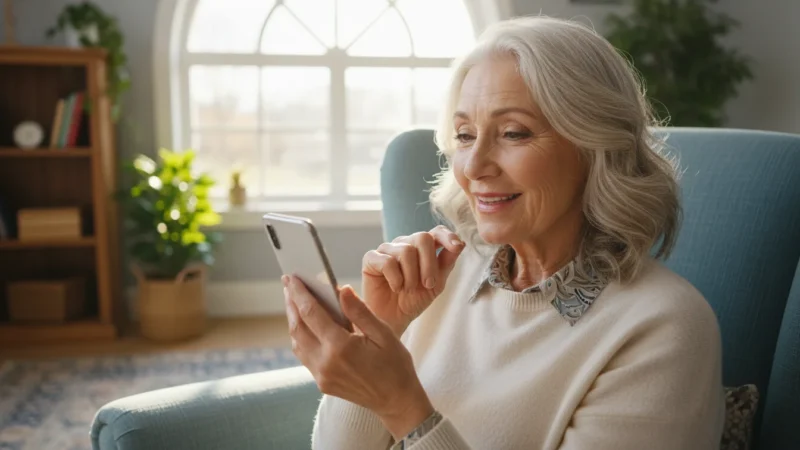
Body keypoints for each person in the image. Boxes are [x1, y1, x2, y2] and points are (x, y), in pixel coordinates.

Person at [282, 16, 724, 450]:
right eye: (465, 135)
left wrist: (400, 405)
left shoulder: (664, 328)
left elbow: (402, 411)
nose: (473, 167)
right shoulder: (439, 277)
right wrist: (382, 332)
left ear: (595, 147)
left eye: (513, 133)